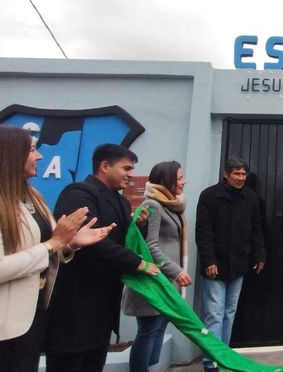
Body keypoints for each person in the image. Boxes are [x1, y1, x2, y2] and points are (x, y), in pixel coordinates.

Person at [0, 125, 114, 372]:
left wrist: (69, 243)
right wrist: (53, 243)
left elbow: (41, 247)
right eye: (32, 149)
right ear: (6, 154)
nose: (40, 155)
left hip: (28, 325)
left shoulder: (30, 196)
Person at [45, 144, 160, 372]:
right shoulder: (78, 193)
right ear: (104, 166)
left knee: (94, 362)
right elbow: (90, 241)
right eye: (126, 168)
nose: (130, 175)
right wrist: (137, 263)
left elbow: (123, 240)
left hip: (103, 304)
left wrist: (139, 226)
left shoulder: (121, 201)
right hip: (75, 305)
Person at [196, 156, 266, 372]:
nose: (241, 178)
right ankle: (211, 360)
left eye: (244, 174)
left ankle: (224, 355)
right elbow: (203, 232)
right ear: (226, 174)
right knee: (214, 313)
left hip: (239, 264)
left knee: (229, 311)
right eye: (236, 173)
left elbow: (256, 229)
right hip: (215, 265)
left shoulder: (250, 197)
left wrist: (260, 255)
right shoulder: (209, 196)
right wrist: (208, 260)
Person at [122, 161, 192, 372]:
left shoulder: (172, 205)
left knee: (159, 326)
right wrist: (176, 271)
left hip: (166, 282)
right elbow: (151, 245)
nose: (183, 182)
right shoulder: (152, 205)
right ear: (167, 180)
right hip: (154, 280)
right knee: (149, 330)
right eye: (179, 178)